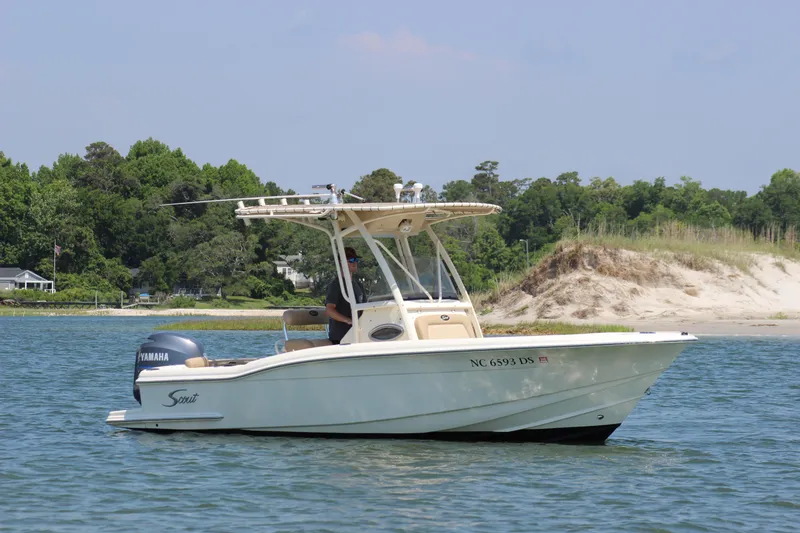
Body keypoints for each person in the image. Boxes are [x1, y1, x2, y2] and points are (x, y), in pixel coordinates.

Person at [325, 247, 366, 344]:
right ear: (341, 262)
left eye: (356, 260)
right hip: (341, 338)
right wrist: (349, 321)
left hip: (358, 335)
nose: (354, 263)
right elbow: (329, 310)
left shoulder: (358, 285)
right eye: (351, 260)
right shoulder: (335, 285)